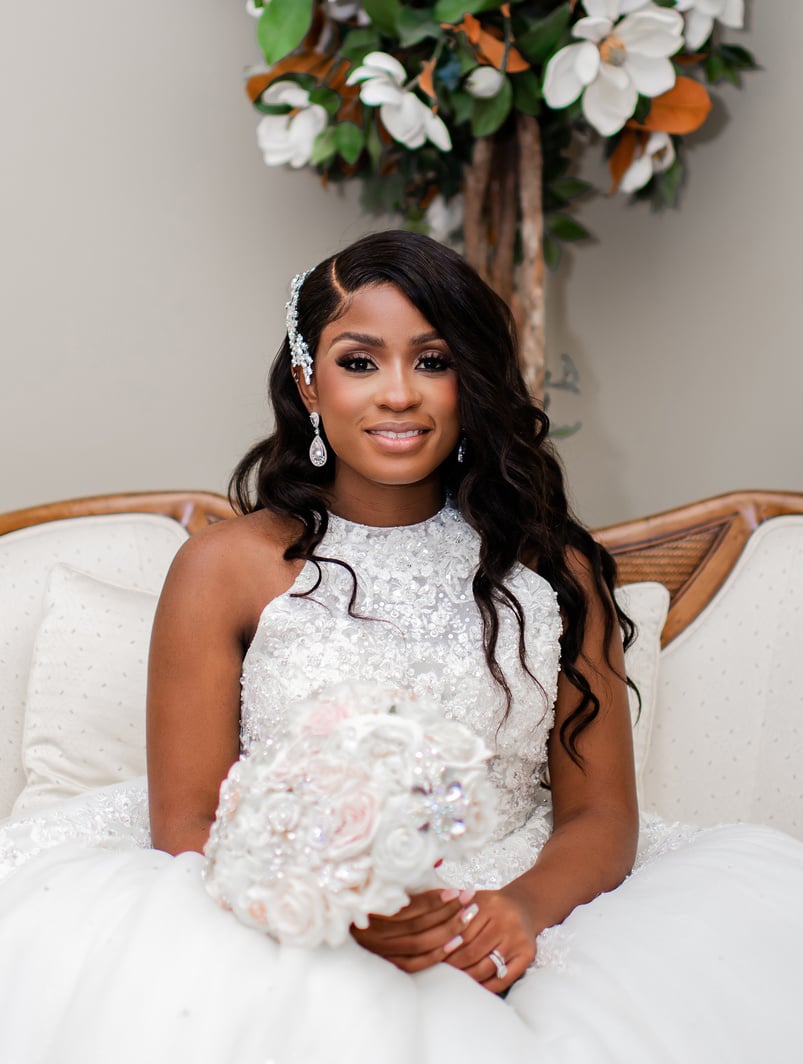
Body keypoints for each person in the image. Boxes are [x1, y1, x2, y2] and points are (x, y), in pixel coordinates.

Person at [0, 229, 801, 1063]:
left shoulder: (552, 569)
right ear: (309, 383)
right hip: (279, 899)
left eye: (431, 360)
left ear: (471, 383)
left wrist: (518, 910)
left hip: (507, 892)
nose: (396, 395)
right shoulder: (226, 569)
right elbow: (188, 825)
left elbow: (600, 814)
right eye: (358, 362)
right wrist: (337, 909)